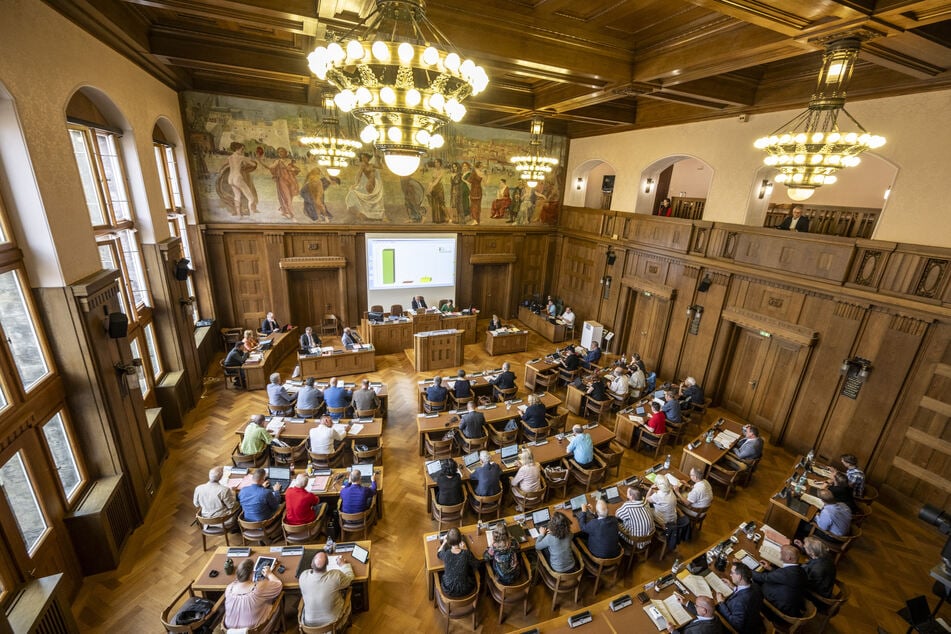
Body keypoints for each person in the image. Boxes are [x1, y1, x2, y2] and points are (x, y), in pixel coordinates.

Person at [222, 558, 282, 630]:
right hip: (255, 631)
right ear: (251, 574)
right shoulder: (259, 588)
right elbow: (278, 585)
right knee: (276, 598)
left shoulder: (229, 588)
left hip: (229, 630)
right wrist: (269, 574)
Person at [298, 551, 354, 628]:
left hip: (309, 625)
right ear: (327, 565)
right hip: (333, 624)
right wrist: (343, 565)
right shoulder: (336, 575)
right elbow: (350, 578)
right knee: (347, 594)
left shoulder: (303, 576)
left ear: (311, 564)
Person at [752, 544, 807, 617]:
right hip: (790, 600)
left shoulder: (785, 573)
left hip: (781, 608)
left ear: (788, 557)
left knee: (752, 584)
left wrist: (744, 568)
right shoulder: (801, 570)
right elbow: (784, 577)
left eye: (782, 552)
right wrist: (770, 568)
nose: (779, 552)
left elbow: (763, 577)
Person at [716, 562, 764, 634]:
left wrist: (721, 603)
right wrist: (733, 587)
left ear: (739, 577)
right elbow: (744, 592)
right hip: (753, 619)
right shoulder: (755, 586)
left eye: (732, 573)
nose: (730, 575)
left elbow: (736, 624)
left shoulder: (740, 601)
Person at [437, 528, 479, 597]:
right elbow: (476, 564)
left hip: (448, 589)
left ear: (448, 541)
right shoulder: (465, 553)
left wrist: (444, 542)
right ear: (460, 540)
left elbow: (438, 554)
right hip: (465, 589)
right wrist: (466, 549)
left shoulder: (446, 554)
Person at [346, 152, 385, 221]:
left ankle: (375, 215)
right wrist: (356, 183)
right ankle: (367, 214)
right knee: (370, 198)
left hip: (376, 183)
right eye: (362, 158)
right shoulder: (363, 166)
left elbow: (381, 167)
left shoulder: (371, 165)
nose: (363, 159)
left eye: (365, 157)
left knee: (374, 199)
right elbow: (359, 175)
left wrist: (378, 158)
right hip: (369, 183)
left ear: (368, 158)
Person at [223, 142, 259, 216]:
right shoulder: (241, 157)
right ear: (237, 149)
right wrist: (252, 160)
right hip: (237, 178)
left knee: (237, 196)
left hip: (230, 179)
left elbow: (224, 165)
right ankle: (252, 215)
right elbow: (253, 164)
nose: (243, 151)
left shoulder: (229, 157)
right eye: (242, 149)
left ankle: (239, 215)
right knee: (251, 198)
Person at [263, 147, 300, 219]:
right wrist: (260, 161)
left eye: (282, 151)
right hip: (282, 181)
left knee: (290, 197)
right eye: (279, 152)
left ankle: (285, 211)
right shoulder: (278, 161)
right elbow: (270, 167)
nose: (280, 153)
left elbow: (298, 169)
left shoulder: (290, 161)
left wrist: (292, 169)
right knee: (287, 197)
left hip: (291, 181)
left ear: (285, 152)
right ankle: (291, 214)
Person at [426, 158, 447, 223]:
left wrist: (431, 187)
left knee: (441, 203)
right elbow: (430, 180)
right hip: (433, 188)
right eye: (435, 162)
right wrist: (429, 188)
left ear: (440, 163)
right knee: (434, 203)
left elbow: (437, 180)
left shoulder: (442, 171)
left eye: (437, 162)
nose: (436, 164)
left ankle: (443, 218)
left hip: (439, 188)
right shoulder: (433, 170)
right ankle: (435, 219)